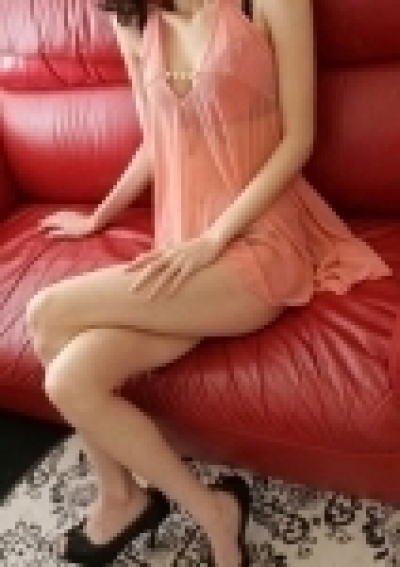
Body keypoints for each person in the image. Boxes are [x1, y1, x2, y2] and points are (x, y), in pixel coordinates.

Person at [25, 0, 393, 564]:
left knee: (45, 312)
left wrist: (214, 240)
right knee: (70, 379)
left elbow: (297, 139)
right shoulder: (132, 19)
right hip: (183, 246)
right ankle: (181, 505)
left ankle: (130, 501)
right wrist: (99, 217)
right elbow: (154, 140)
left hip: (259, 239)